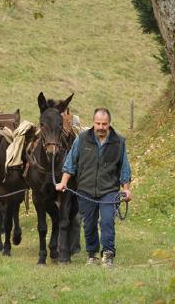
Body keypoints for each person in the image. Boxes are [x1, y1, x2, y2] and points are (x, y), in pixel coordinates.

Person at [56, 108, 132, 268]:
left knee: (106, 222)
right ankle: (92, 255)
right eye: (98, 123)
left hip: (108, 190)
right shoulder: (82, 139)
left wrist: (126, 189)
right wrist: (63, 182)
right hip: (85, 189)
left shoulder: (119, 141)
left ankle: (108, 254)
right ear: (93, 123)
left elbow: (124, 167)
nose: (101, 127)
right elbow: (70, 162)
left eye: (104, 124)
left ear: (109, 124)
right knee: (89, 224)